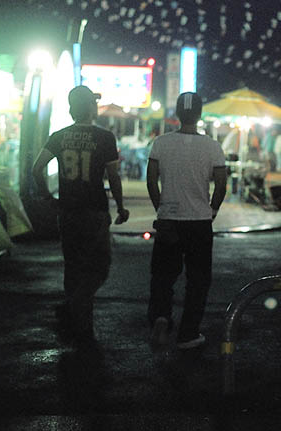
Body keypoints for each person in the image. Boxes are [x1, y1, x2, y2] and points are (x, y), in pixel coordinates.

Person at [32, 85, 129, 344]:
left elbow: (36, 169)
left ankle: (78, 324)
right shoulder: (105, 138)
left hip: (67, 211)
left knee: (73, 267)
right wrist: (120, 206)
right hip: (94, 211)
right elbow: (113, 176)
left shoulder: (59, 136)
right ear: (90, 108)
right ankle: (76, 310)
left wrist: (47, 197)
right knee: (99, 267)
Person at [146, 92, 227, 350]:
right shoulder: (212, 146)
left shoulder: (161, 143)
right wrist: (212, 210)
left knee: (163, 276)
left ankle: (161, 317)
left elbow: (151, 179)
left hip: (169, 219)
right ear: (200, 114)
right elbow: (221, 185)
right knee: (198, 280)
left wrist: (161, 207)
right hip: (199, 221)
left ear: (178, 114)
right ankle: (188, 333)